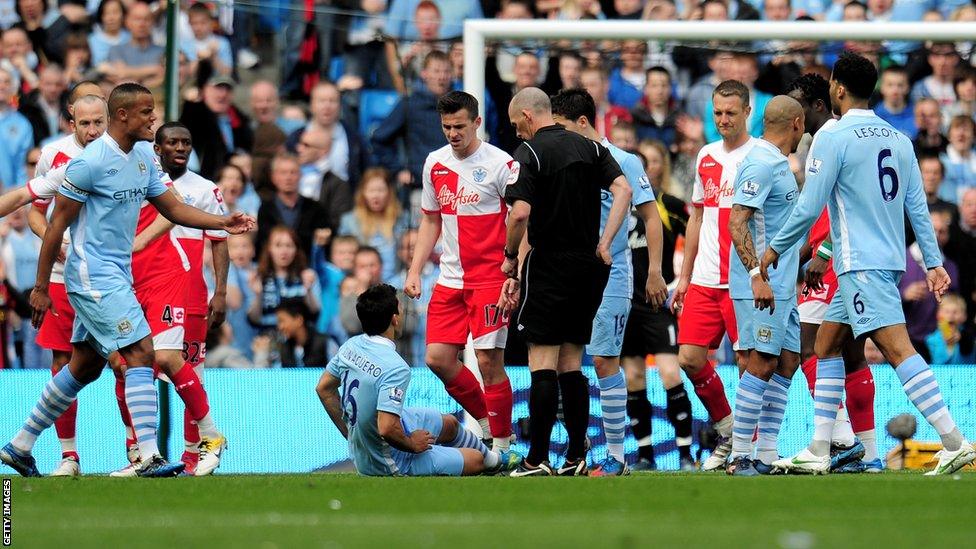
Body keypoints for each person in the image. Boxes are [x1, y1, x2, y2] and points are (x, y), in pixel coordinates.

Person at [0, 83, 254, 478]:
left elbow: (174, 208)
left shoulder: (141, 157)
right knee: (140, 351)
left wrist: (224, 221)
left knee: (83, 367)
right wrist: (38, 288)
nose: (154, 118)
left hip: (115, 274)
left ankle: (20, 444)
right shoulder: (89, 163)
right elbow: (54, 226)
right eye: (146, 112)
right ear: (122, 117)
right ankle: (149, 455)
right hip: (92, 276)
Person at [764, 52, 975, 475]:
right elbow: (917, 206)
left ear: (838, 89)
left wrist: (776, 249)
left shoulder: (833, 137)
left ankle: (955, 441)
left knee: (898, 350)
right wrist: (932, 262)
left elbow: (810, 205)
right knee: (825, 346)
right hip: (883, 260)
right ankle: (820, 449)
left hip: (860, 263)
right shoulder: (898, 139)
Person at [500, 87, 631, 477]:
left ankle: (536, 458)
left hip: (550, 263)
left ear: (527, 115)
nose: (516, 133)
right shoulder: (589, 147)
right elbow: (622, 189)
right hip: (589, 265)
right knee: (571, 363)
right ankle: (576, 456)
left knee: (541, 361)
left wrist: (509, 256)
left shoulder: (532, 152)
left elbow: (520, 213)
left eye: (515, 124)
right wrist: (605, 241)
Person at [549, 87, 668, 476]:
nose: (560, 135)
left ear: (583, 122)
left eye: (564, 127)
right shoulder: (564, 159)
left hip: (612, 272)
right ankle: (576, 449)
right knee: (565, 361)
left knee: (603, 359)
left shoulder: (623, 161)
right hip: (568, 273)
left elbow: (651, 217)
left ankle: (616, 455)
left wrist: (654, 271)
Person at [404, 90, 517, 451]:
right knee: (437, 359)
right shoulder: (434, 164)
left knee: (488, 361)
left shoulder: (501, 164)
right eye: (446, 127)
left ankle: (501, 446)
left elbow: (521, 218)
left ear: (477, 123)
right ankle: (488, 423)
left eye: (459, 126)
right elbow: (430, 220)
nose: (453, 134)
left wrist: (512, 270)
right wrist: (414, 269)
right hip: (450, 278)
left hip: (490, 278)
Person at [315, 283, 519, 477]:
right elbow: (386, 428)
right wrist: (411, 443)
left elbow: (324, 389)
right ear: (394, 319)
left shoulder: (350, 346)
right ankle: (494, 462)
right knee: (475, 460)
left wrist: (352, 434)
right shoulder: (395, 367)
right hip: (387, 460)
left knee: (450, 424)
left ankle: (494, 458)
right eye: (401, 309)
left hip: (379, 435)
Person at [786, 73, 879, 473]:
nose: (795, 114)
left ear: (819, 105)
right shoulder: (857, 136)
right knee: (854, 356)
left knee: (813, 347)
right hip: (858, 257)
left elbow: (827, 209)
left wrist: (808, 254)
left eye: (799, 105)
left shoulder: (830, 138)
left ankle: (840, 440)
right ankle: (871, 455)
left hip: (832, 261)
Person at [671, 79, 758, 471]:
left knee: (749, 365)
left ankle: (750, 449)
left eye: (730, 113)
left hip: (743, 280)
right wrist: (685, 277)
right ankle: (728, 430)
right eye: (717, 113)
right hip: (705, 279)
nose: (723, 120)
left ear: (747, 112)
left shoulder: (762, 157)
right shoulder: (706, 155)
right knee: (689, 358)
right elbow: (698, 217)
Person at [724, 95, 805, 476]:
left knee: (786, 362)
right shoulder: (759, 163)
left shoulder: (776, 162)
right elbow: (737, 222)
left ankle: (767, 454)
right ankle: (740, 453)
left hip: (784, 284)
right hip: (761, 285)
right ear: (797, 124)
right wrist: (756, 275)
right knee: (761, 362)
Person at [143, 122, 230, 474]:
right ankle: (140, 453)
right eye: (172, 142)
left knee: (191, 371)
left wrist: (220, 290)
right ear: (157, 147)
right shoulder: (141, 182)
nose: (180, 148)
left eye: (186, 142)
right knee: (136, 371)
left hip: (192, 294)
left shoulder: (205, 189)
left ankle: (193, 456)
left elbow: (220, 242)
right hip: (147, 286)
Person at [622, 141, 694, 471]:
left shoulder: (667, 205)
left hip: (656, 304)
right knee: (634, 378)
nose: (644, 169)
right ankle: (645, 455)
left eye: (651, 162)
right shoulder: (613, 209)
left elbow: (697, 230)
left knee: (669, 373)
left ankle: (685, 454)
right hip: (625, 305)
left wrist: (683, 279)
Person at [338, 168, 408, 282]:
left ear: (389, 192)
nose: (376, 195)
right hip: (362, 284)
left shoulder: (402, 218)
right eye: (371, 190)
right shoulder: (349, 221)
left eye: (380, 190)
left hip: (396, 282)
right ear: (363, 193)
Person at [256, 153, 330, 258]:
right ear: (273, 177)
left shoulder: (315, 208)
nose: (288, 177)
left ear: (301, 175)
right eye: (283, 173)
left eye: (293, 172)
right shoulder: (265, 209)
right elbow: (263, 244)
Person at [0, 66, 33, 190]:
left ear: (13, 89)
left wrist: (18, 194)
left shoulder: (23, 124)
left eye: (6, 82)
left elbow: (24, 166)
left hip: (11, 198)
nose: (2, 86)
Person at [275, 298, 328, 367]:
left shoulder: (325, 343)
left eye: (282, 321)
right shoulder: (285, 348)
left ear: (298, 320)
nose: (280, 327)